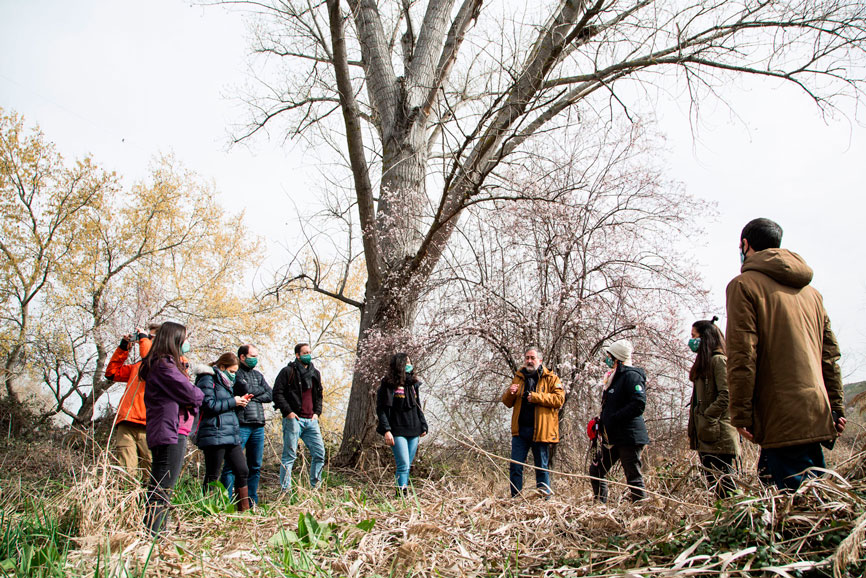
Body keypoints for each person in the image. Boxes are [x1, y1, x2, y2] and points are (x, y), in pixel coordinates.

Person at [726, 218, 846, 491]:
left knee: (796, 508)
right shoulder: (812, 293)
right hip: (815, 411)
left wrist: (741, 414)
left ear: (746, 244)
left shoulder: (743, 286)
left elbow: (743, 354)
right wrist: (836, 408)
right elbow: (830, 355)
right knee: (812, 499)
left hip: (778, 415)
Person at [140, 321, 204, 537]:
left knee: (162, 485)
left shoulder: (164, 364)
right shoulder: (164, 366)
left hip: (169, 429)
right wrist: (193, 396)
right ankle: (152, 535)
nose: (187, 343)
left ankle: (155, 532)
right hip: (170, 431)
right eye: (184, 338)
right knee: (162, 487)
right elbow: (194, 394)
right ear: (174, 340)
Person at [589, 340, 649, 503]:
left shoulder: (631, 376)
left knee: (633, 477)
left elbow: (638, 404)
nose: (607, 359)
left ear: (617, 358)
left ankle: (642, 511)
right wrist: (601, 422)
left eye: (609, 356)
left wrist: (614, 418)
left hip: (629, 437)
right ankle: (599, 507)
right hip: (613, 437)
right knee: (596, 471)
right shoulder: (613, 378)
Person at [687, 316, 739, 498]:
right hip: (706, 434)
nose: (691, 341)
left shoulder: (719, 361)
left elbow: (727, 395)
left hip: (718, 433)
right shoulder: (704, 364)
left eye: (694, 336)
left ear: (705, 338)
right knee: (715, 485)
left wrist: (707, 416)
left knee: (725, 485)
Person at [501, 348, 564, 497]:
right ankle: (515, 498)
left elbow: (559, 399)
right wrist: (510, 393)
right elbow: (506, 402)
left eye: (533, 358)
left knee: (541, 467)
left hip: (540, 431)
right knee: (515, 466)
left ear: (540, 361)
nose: (529, 361)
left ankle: (544, 500)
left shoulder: (551, 378)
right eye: (527, 358)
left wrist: (536, 397)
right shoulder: (519, 377)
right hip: (520, 431)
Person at [194, 353, 252, 511]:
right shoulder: (207, 379)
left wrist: (239, 402)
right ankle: (207, 509)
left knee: (242, 470)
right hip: (214, 433)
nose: (234, 375)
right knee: (212, 475)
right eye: (232, 372)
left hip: (230, 434)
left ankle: (244, 511)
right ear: (222, 367)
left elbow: (224, 404)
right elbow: (208, 405)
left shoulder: (227, 383)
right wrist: (233, 401)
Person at [105, 323, 160, 478]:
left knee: (150, 473)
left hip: (149, 426)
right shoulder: (137, 367)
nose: (147, 339)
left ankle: (149, 503)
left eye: (151, 337)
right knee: (126, 472)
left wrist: (143, 339)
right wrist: (123, 348)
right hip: (127, 422)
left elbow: (151, 361)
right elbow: (111, 373)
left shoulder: (165, 366)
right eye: (146, 336)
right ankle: (129, 502)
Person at [220, 344, 272, 506]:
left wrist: (251, 396)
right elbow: (245, 388)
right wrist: (257, 391)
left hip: (258, 425)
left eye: (256, 356)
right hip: (241, 424)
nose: (255, 359)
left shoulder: (258, 374)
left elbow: (269, 394)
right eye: (252, 356)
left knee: (255, 466)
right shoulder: (236, 374)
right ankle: (226, 501)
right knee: (231, 465)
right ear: (242, 357)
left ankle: (251, 502)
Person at [273, 342, 325, 493]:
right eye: (305, 353)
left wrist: (317, 413)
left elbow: (319, 395)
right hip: (294, 419)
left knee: (319, 454)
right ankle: (286, 491)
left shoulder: (315, 373)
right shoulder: (288, 372)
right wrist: (288, 412)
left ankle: (316, 488)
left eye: (309, 352)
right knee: (289, 456)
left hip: (311, 421)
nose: (308, 355)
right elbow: (277, 393)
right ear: (297, 355)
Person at [376, 353, 429, 496]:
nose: (409, 365)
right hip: (397, 430)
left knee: (407, 466)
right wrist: (386, 430)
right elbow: (381, 409)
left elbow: (417, 406)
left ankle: (402, 493)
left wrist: (423, 425)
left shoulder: (413, 384)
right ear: (398, 365)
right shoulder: (387, 384)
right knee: (403, 464)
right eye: (406, 363)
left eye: (410, 362)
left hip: (414, 429)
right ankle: (401, 495)